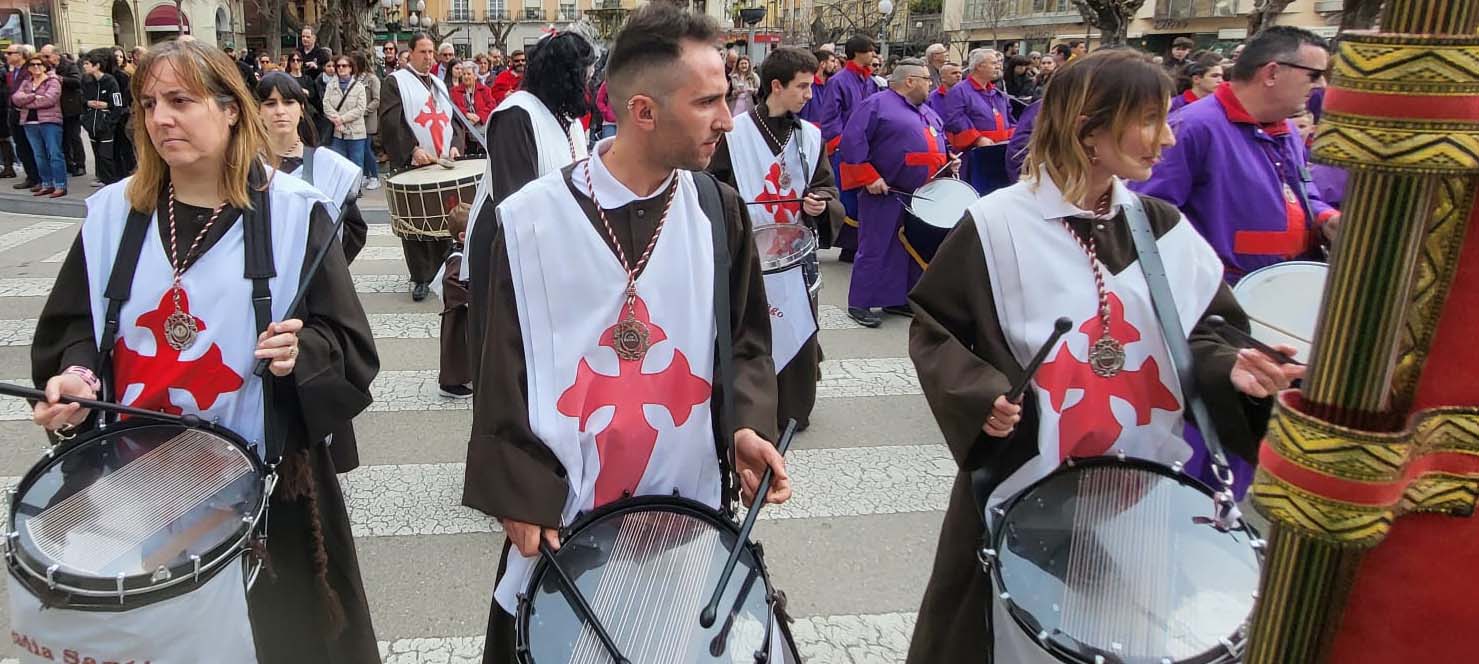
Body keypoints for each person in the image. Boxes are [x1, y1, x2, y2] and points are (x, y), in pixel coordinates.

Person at [903, 49, 1303, 664]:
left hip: (1140, 487)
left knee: (1124, 636)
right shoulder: (997, 224)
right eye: (1149, 120)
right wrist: (979, 395)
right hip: (1026, 479)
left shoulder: (1160, 225)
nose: (1167, 139)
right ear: (1089, 128)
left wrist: (1235, 369)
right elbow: (936, 330)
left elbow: (1206, 330)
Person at [28, 38, 380, 663]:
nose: (161, 118)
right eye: (149, 103)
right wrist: (78, 376)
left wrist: (303, 353)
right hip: (127, 479)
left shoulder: (298, 214)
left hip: (261, 484)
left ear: (231, 110)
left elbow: (349, 347)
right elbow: (75, 326)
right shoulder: (112, 213)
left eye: (181, 101)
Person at [462, 6, 796, 662]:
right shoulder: (527, 221)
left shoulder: (714, 208)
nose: (727, 121)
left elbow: (745, 342)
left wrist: (745, 425)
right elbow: (499, 369)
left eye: (726, 99)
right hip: (568, 517)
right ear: (643, 111)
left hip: (686, 514)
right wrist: (518, 493)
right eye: (707, 102)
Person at [708, 45, 844, 432]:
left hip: (796, 257)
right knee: (752, 331)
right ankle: (753, 409)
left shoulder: (811, 137)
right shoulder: (735, 135)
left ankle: (794, 407)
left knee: (798, 324)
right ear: (776, 85)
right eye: (802, 86)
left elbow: (826, 187)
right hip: (750, 255)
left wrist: (821, 204)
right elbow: (713, 186)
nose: (809, 94)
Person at [1134, 26, 1339, 281]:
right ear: (1272, 73)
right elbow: (1148, 215)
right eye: (1314, 75)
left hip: (1285, 288)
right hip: (1220, 298)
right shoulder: (1192, 128)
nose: (1322, 84)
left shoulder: (1287, 129)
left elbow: (1302, 192)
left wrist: (1325, 218)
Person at [465, 31, 593, 367]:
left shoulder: (568, 119)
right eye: (583, 74)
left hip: (554, 242)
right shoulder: (516, 114)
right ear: (564, 75)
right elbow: (517, 203)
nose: (589, 83)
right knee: (507, 358)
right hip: (508, 245)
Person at [838, 58, 955, 327]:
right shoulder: (876, 105)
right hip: (886, 192)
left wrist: (948, 158)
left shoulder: (926, 110)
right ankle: (860, 302)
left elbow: (939, 140)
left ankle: (898, 298)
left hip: (923, 194)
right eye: (927, 79)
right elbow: (852, 142)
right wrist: (869, 177)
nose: (931, 84)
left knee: (908, 250)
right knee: (875, 248)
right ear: (910, 81)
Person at [379, 32, 466, 301]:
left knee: (444, 218)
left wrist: (456, 145)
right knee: (417, 222)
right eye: (423, 52)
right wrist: (413, 149)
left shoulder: (439, 84)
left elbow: (453, 119)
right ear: (412, 53)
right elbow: (390, 121)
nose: (429, 57)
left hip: (441, 161)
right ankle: (420, 276)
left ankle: (443, 269)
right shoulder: (396, 82)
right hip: (414, 164)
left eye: (432, 52)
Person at [257, 71, 368, 264]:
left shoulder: (326, 165)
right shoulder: (245, 166)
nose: (280, 111)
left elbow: (353, 230)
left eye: (288, 102)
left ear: (301, 109)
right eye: (270, 103)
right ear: (257, 111)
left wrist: (322, 268)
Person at [816, 34, 880, 260]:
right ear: (858, 53)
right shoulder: (839, 81)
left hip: (866, 148)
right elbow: (830, 117)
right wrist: (842, 143)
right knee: (847, 199)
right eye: (870, 50)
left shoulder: (871, 82)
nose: (874, 54)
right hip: (845, 149)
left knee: (864, 197)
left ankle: (858, 245)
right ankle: (847, 246)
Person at [941, 47, 1014, 196]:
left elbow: (1010, 119)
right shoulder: (959, 91)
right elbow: (955, 120)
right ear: (979, 66)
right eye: (993, 63)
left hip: (1001, 154)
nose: (998, 66)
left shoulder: (998, 94)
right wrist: (977, 138)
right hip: (975, 157)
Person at [10, 53, 66, 197]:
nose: (36, 67)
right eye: (32, 65)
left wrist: (26, 102)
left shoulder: (53, 81)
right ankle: (46, 183)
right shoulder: (27, 82)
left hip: (49, 122)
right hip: (29, 123)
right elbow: (16, 98)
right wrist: (34, 96)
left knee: (54, 154)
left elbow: (49, 100)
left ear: (45, 66)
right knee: (39, 155)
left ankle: (60, 185)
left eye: (39, 64)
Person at [438, 202, 473, 398]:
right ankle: (450, 384)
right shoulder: (458, 257)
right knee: (456, 348)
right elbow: (449, 280)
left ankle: (461, 376)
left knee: (462, 347)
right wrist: (469, 298)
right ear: (462, 236)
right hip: (457, 313)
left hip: (460, 310)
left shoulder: (459, 251)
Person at [38, 45, 83, 177]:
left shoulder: (69, 65)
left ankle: (80, 164)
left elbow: (77, 81)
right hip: (55, 109)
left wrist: (59, 78)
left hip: (70, 107)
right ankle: (69, 164)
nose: (44, 59)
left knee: (74, 137)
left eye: (47, 56)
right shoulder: (44, 67)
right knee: (62, 139)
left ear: (56, 55)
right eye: (42, 56)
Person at [80, 48, 122, 186]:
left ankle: (111, 181)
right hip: (91, 122)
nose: (84, 66)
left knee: (106, 155)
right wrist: (88, 105)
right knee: (97, 153)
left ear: (97, 65)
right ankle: (102, 178)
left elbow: (117, 104)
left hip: (105, 124)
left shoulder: (110, 81)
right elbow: (81, 99)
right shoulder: (87, 81)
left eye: (87, 63)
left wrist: (109, 121)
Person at [323, 55, 369, 176]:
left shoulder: (359, 87)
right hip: (338, 133)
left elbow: (360, 109)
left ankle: (355, 190)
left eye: (344, 66)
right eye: (338, 66)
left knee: (356, 163)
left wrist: (341, 119)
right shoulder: (330, 86)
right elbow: (326, 105)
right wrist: (336, 120)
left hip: (356, 133)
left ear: (351, 68)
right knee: (339, 164)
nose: (341, 68)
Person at [353, 51, 382, 190]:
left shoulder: (372, 79)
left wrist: (364, 111)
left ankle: (375, 176)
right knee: (359, 149)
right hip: (354, 120)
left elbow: (377, 99)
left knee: (366, 148)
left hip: (367, 120)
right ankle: (365, 174)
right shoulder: (353, 79)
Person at [450, 63, 494, 151]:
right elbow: (453, 107)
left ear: (475, 76)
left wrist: (479, 117)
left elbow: (491, 106)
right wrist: (466, 114)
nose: (466, 76)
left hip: (481, 126)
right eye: (464, 74)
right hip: (463, 128)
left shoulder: (485, 90)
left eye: (469, 74)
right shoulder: (454, 91)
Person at [797, 48, 836, 124]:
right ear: (822, 64)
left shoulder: (833, 85)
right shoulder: (808, 86)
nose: (835, 65)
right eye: (832, 61)